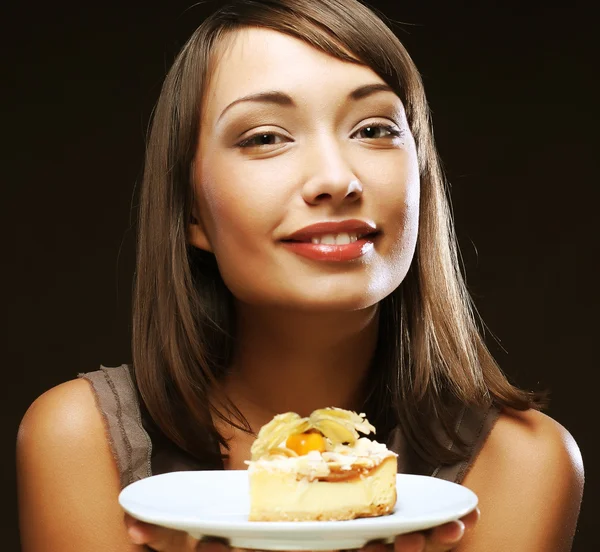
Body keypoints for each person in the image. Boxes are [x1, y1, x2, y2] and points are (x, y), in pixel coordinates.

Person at [16, 0, 584, 550]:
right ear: (192, 213)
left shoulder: (523, 462)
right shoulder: (81, 440)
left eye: (374, 129)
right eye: (265, 137)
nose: (337, 179)